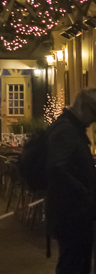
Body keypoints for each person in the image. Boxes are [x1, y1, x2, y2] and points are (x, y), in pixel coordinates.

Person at [46, 88, 96, 273]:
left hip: (71, 212)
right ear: (83, 107)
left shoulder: (68, 127)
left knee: (74, 261)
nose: (93, 121)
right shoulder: (67, 130)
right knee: (73, 264)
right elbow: (58, 168)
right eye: (93, 113)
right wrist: (86, 193)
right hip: (71, 213)